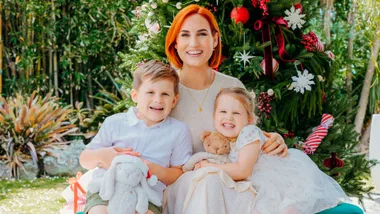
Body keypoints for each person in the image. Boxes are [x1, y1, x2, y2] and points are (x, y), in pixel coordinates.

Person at [164, 4, 363, 214]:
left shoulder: (231, 86)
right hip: (189, 183)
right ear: (175, 43)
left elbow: (245, 135)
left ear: (214, 40)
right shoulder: (164, 91)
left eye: (202, 34)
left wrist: (272, 138)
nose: (193, 43)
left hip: (234, 182)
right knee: (210, 181)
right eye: (185, 35)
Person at [196, 87, 350, 213]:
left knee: (288, 209)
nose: (228, 117)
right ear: (214, 116)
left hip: (284, 180)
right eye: (223, 112)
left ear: (249, 119)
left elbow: (242, 170)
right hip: (263, 184)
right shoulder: (227, 142)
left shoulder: (249, 132)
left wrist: (208, 167)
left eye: (236, 113)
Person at [79, 60, 193, 214]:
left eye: (165, 94)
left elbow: (178, 172)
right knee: (100, 212)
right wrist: (103, 155)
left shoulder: (178, 131)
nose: (158, 99)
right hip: (107, 189)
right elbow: (85, 159)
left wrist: (153, 169)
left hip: (147, 195)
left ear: (174, 100)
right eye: (150, 92)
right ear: (135, 95)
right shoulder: (115, 123)